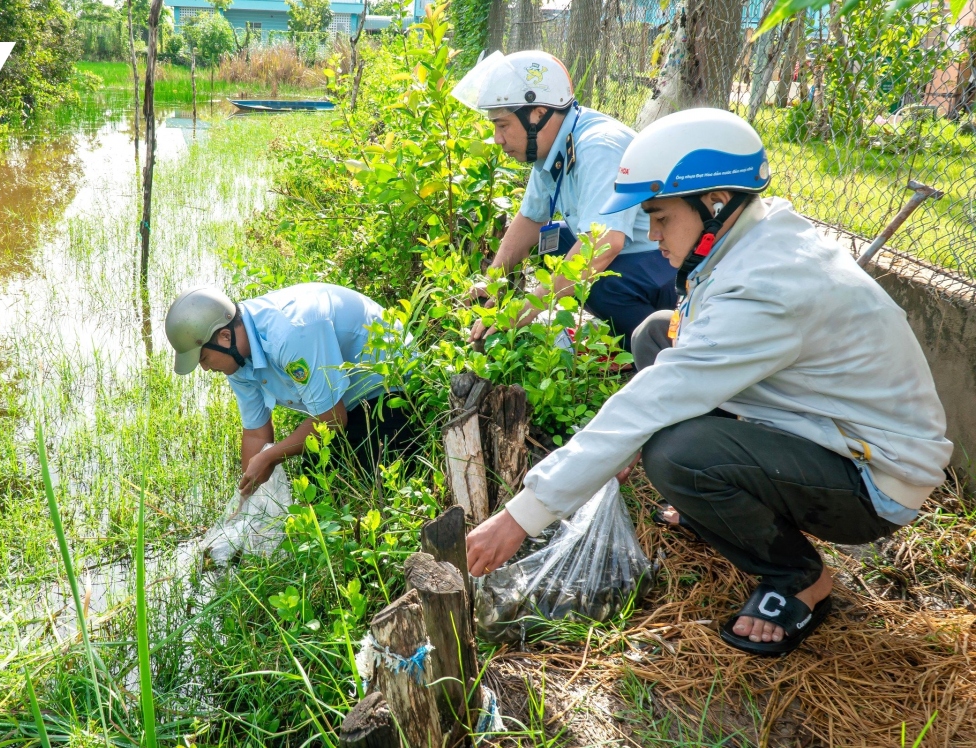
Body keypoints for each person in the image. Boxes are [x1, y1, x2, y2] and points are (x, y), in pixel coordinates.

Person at [464, 108, 952, 656]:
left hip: (875, 478)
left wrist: (521, 516)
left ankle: (799, 578)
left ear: (714, 203)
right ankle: (721, 504)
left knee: (677, 455)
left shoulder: (766, 287)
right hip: (827, 431)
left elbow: (654, 400)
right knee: (654, 334)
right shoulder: (753, 236)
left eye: (661, 217)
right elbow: (678, 357)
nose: (651, 234)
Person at [450, 50, 677, 351]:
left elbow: (603, 245)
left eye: (503, 126)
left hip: (665, 263)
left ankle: (654, 345)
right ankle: (605, 326)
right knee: (552, 239)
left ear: (538, 114)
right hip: (635, 256)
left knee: (593, 281)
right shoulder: (552, 146)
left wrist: (524, 311)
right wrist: (492, 283)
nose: (497, 139)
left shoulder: (598, 147)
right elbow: (531, 219)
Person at [164, 283, 417, 497]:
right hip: (345, 400)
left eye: (204, 358)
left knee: (359, 484)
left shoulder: (290, 333)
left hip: (392, 385)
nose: (206, 369)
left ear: (224, 337)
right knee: (316, 480)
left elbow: (332, 419)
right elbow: (256, 434)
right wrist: (244, 505)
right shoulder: (236, 360)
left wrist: (271, 457)